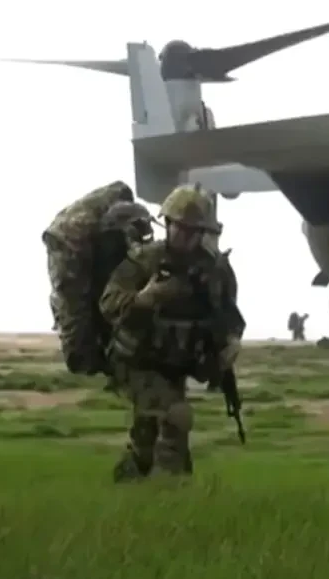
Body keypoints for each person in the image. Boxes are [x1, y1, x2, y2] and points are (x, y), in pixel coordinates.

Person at [99, 185, 244, 481]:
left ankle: (133, 476)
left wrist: (230, 345)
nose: (185, 236)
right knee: (176, 416)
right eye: (180, 227)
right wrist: (144, 298)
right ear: (167, 224)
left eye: (193, 230)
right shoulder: (144, 260)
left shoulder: (215, 271)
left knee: (150, 434)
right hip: (135, 360)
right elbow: (108, 303)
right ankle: (169, 490)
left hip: (175, 364)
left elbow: (230, 317)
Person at [43, 181, 151, 376]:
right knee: (77, 312)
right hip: (69, 246)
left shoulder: (120, 209)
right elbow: (76, 305)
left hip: (92, 238)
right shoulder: (76, 240)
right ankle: (85, 363)